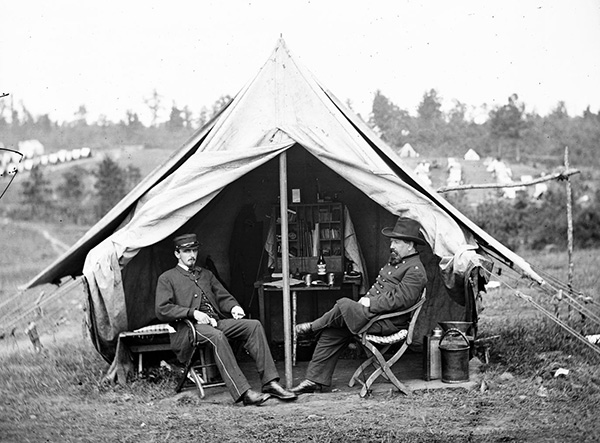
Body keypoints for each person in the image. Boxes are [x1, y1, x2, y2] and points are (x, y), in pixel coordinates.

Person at [156, 233, 297, 406]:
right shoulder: (167, 278)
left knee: (253, 326)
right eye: (187, 251)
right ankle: (243, 392)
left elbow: (222, 296)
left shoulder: (205, 274)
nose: (192, 255)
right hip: (189, 329)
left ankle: (270, 382)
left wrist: (233, 307)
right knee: (217, 336)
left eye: (194, 250)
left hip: (215, 323)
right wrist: (192, 313)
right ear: (177, 254)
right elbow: (163, 309)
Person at [291, 217, 428, 394]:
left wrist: (369, 302)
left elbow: (401, 300)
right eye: (391, 241)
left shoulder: (415, 270)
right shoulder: (397, 261)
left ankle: (312, 327)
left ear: (410, 244)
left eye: (396, 242)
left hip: (389, 323)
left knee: (344, 304)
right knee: (333, 330)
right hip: (374, 315)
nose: (391, 246)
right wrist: (365, 306)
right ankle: (314, 381)